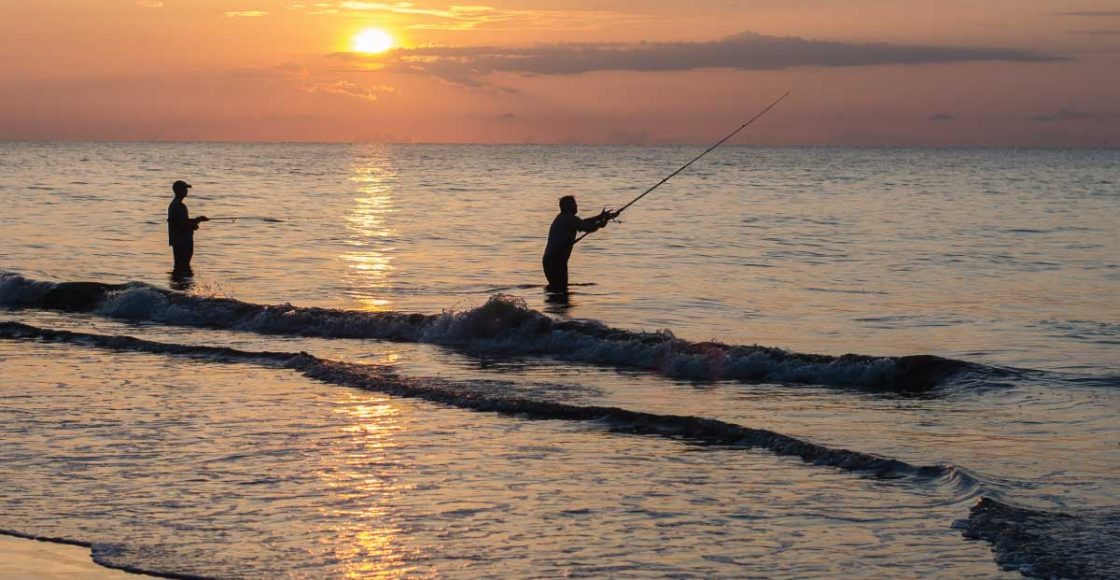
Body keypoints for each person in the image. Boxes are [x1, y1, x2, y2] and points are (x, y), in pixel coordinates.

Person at [542, 195, 617, 293]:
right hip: (555, 261)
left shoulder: (563, 218)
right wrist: (601, 222)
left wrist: (600, 217)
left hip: (551, 261)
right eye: (573, 204)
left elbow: (583, 222)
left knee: (558, 291)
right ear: (566, 206)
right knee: (560, 290)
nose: (576, 206)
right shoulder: (569, 218)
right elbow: (589, 228)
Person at [167, 180, 208, 273]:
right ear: (179, 190)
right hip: (182, 242)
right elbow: (182, 225)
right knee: (183, 268)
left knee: (180, 268)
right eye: (185, 189)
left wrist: (197, 220)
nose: (187, 191)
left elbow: (182, 222)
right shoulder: (179, 206)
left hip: (179, 241)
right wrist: (197, 221)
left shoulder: (174, 205)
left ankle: (177, 286)